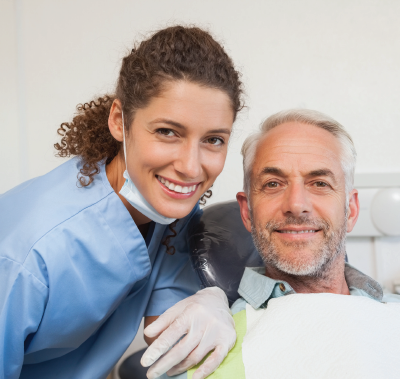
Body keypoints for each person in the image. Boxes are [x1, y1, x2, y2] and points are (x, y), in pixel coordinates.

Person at [0, 26, 243, 379]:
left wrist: (214, 302)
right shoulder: (27, 255)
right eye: (167, 132)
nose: (191, 167)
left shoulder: (173, 215)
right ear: (119, 120)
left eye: (213, 139)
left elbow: (167, 337)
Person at [163, 109, 400, 379]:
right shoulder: (201, 351)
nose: (296, 205)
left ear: (352, 210)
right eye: (273, 184)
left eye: (320, 183)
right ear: (247, 212)